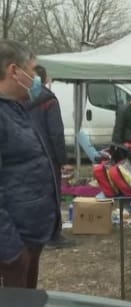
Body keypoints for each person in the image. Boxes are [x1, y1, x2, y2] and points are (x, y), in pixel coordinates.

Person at [0, 40, 60, 288]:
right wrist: (13, 253)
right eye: (33, 70)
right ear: (14, 71)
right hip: (13, 247)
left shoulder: (16, 108)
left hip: (30, 237)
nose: (37, 78)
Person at [25, 65, 73, 249]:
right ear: (45, 79)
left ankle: (35, 234)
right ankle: (53, 236)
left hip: (27, 154)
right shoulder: (48, 100)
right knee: (52, 193)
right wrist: (63, 160)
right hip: (47, 154)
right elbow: (56, 133)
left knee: (31, 194)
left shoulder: (18, 98)